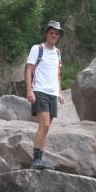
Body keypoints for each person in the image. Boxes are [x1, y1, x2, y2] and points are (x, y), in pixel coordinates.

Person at [24, 20, 65, 170]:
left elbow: (58, 74)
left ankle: (41, 158)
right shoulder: (37, 49)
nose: (54, 35)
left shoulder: (58, 52)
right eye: (51, 32)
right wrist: (29, 90)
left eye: (57, 33)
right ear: (47, 34)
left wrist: (60, 92)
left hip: (52, 93)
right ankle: (36, 160)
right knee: (45, 124)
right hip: (39, 90)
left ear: (59, 36)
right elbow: (29, 70)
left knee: (46, 128)